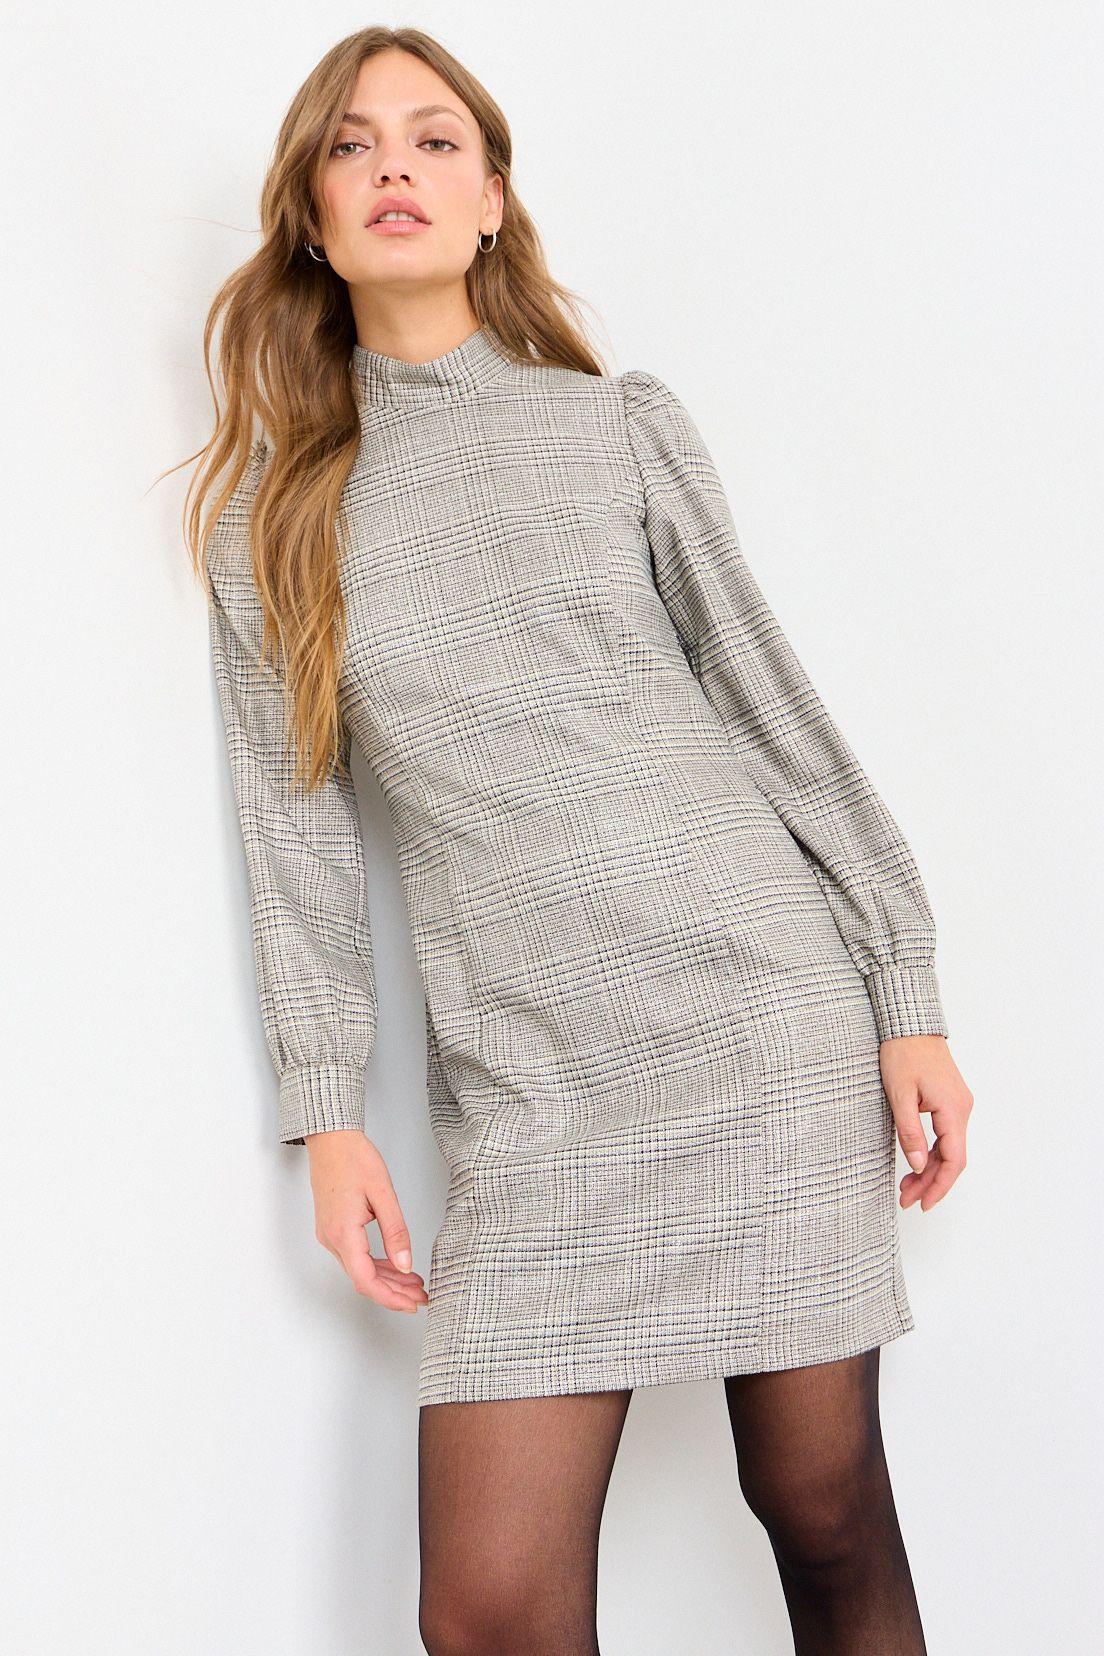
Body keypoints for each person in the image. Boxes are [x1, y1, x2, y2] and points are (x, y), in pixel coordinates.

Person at [188, 25, 973, 1654]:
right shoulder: (278, 516)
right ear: (310, 216)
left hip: (756, 1018)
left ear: (491, 200)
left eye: (434, 141)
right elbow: (295, 828)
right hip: (536, 1092)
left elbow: (770, 704)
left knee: (821, 1506)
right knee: (488, 1612)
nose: (394, 168)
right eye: (351, 145)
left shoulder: (616, 427)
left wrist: (904, 989)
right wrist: (328, 1112)